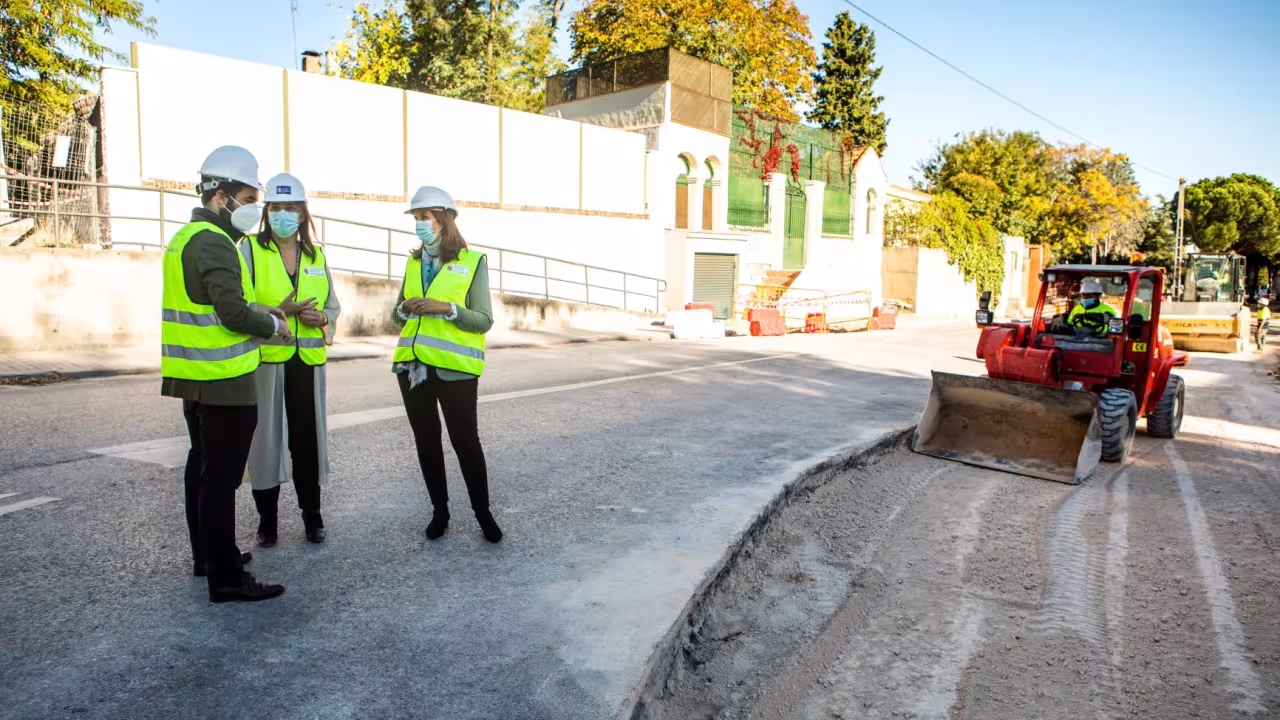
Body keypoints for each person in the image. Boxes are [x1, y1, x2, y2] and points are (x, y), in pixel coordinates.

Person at [161, 146, 288, 603]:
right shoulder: (215, 241)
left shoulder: (186, 237)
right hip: (224, 381)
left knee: (202, 470)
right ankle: (227, 578)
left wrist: (259, 310)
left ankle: (209, 557)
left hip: (194, 378)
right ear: (222, 196)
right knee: (221, 481)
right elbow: (231, 314)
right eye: (249, 196)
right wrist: (272, 324)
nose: (254, 207)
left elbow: (209, 304)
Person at [391, 186, 502, 543]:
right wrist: (404, 308)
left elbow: (484, 319)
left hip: (455, 368)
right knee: (426, 441)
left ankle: (482, 513)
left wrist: (447, 309)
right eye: (417, 218)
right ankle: (440, 513)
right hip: (412, 367)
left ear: (445, 220)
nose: (421, 224)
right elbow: (396, 314)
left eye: (426, 218)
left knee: (465, 442)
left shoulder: (472, 261)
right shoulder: (412, 261)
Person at [240, 172, 341, 546]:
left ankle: (312, 516)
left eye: (291, 208)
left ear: (302, 213)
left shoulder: (316, 255)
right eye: (277, 208)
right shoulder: (250, 249)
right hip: (268, 360)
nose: (284, 215)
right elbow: (241, 305)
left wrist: (323, 318)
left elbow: (332, 304)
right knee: (266, 440)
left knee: (307, 441)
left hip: (308, 362)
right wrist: (276, 312)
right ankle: (267, 522)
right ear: (268, 212)